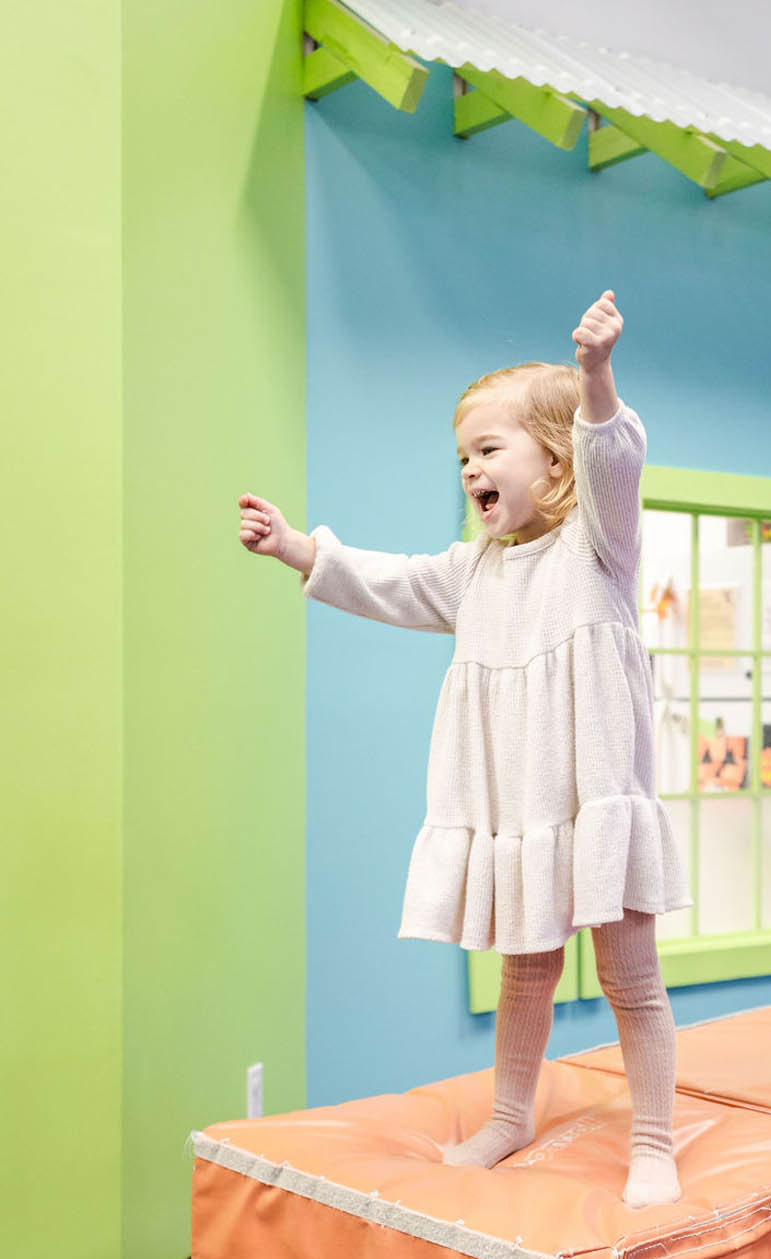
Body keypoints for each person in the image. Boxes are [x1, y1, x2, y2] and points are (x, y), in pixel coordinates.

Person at [237, 290, 693, 1208]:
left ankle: (653, 1138)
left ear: (555, 460)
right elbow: (391, 582)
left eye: (491, 450)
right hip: (522, 809)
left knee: (628, 974)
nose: (471, 470)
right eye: (463, 458)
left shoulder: (598, 547)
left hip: (596, 797)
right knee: (525, 969)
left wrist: (596, 377)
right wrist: (297, 549)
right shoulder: (474, 568)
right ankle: (509, 1117)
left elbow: (615, 463)